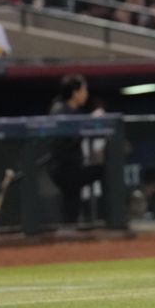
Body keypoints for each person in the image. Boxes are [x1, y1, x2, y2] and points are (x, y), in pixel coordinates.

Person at [47, 74, 105, 226]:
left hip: (71, 166)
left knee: (71, 205)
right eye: (84, 90)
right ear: (75, 92)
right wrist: (91, 120)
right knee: (103, 170)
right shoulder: (60, 110)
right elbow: (70, 135)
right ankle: (111, 217)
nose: (86, 93)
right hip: (64, 168)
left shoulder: (72, 110)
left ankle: (68, 233)